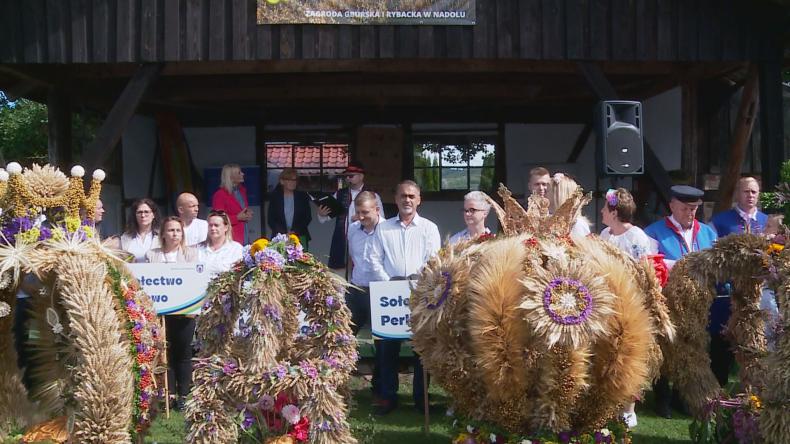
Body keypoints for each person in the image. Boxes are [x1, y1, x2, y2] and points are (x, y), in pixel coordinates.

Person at [644, 184, 717, 418]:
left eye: (695, 209)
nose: (691, 213)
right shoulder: (654, 232)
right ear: (672, 205)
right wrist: (682, 266)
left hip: (699, 304)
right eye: (686, 208)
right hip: (668, 302)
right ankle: (662, 398)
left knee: (692, 349)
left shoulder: (707, 232)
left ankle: (682, 396)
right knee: (666, 348)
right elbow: (651, 263)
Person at [369, 180, 441, 415]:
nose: (407, 200)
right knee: (387, 348)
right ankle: (389, 397)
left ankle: (421, 398)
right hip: (390, 294)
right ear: (396, 199)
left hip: (420, 294)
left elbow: (434, 260)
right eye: (403, 196)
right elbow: (374, 259)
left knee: (422, 349)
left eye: (412, 196)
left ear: (419, 199)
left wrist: (416, 281)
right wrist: (389, 281)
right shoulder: (383, 228)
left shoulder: (429, 228)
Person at [599, 188, 656, 428]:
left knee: (628, 353)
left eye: (604, 207)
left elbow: (643, 274)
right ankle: (607, 405)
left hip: (629, 303)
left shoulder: (637, 238)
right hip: (608, 303)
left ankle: (628, 408)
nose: (601, 211)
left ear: (614, 211)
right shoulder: (605, 234)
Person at [706, 177, 768, 387]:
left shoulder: (768, 222)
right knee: (722, 342)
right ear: (737, 194)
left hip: (759, 296)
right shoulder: (720, 222)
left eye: (754, 192)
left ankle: (753, 391)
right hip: (728, 295)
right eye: (745, 192)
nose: (750, 196)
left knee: (755, 344)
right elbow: (712, 256)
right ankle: (717, 391)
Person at [145, 216, 198, 411]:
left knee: (183, 353)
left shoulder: (191, 253)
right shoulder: (152, 254)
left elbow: (194, 279)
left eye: (178, 230)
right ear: (163, 234)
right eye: (171, 230)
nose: (175, 234)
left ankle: (184, 394)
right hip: (162, 314)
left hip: (185, 312)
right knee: (165, 352)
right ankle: (170, 393)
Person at [317, 161, 384, 271]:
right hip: (342, 240)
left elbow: (381, 220)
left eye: (351, 176)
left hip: (364, 240)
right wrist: (321, 214)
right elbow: (326, 217)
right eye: (346, 176)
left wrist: (365, 218)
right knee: (340, 274)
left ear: (361, 176)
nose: (348, 178)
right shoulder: (339, 194)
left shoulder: (373, 195)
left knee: (362, 270)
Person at [346, 191, 387, 336]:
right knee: (345, 336)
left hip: (381, 289)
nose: (361, 217)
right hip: (357, 288)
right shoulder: (352, 228)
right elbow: (352, 256)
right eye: (358, 212)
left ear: (377, 210)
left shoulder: (389, 229)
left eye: (365, 212)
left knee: (382, 340)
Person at [267, 168, 313, 250]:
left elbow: (307, 217)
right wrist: (284, 233)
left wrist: (294, 232)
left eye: (295, 180)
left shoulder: (302, 197)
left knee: (302, 261)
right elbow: (271, 219)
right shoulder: (275, 197)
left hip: (299, 235)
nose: (293, 182)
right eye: (290, 180)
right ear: (282, 181)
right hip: (279, 237)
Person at [212, 164, 252, 245]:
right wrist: (237, 218)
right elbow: (218, 219)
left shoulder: (242, 191)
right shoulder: (220, 195)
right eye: (239, 173)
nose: (243, 174)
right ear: (231, 177)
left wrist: (247, 214)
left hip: (245, 234)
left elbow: (241, 209)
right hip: (231, 237)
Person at [198, 210, 243, 278]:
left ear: (226, 227)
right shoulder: (198, 248)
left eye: (216, 225)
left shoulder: (236, 249)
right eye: (210, 225)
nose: (213, 228)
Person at [548, 173, 591, 238]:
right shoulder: (548, 220)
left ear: (558, 197)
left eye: (547, 191)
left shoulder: (577, 224)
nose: (543, 194)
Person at [120, 198, 161, 263]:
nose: (143, 215)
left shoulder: (161, 237)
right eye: (139, 212)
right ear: (135, 215)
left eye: (146, 212)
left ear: (153, 215)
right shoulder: (125, 237)